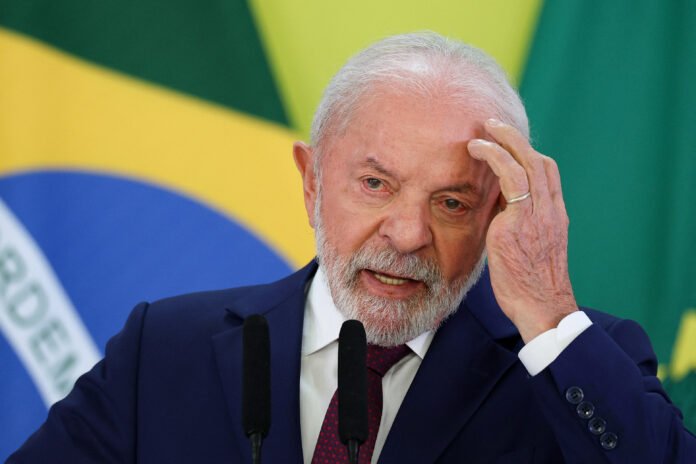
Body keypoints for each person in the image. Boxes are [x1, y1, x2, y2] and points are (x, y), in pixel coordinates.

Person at [7, 32, 695, 464]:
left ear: (497, 214)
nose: (408, 234)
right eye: (375, 185)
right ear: (311, 181)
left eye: (452, 203)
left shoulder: (570, 363)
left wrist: (546, 315)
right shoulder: (163, 351)